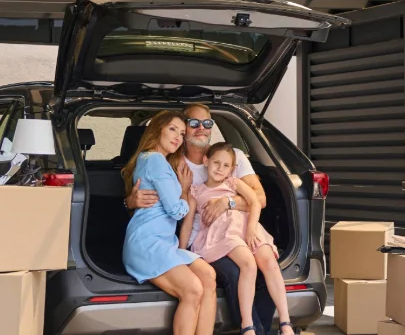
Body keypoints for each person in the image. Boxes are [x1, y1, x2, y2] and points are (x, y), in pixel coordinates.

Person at [126, 104, 278, 335]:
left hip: (231, 232)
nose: (200, 128)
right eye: (192, 124)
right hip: (196, 239)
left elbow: (260, 198)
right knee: (226, 276)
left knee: (253, 270)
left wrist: (227, 202)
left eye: (207, 123)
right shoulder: (171, 161)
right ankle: (251, 330)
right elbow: (170, 207)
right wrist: (130, 201)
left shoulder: (233, 156)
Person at [181, 143, 296, 335]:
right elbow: (187, 223)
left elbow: (256, 202)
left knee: (270, 262)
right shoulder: (196, 191)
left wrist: (251, 229)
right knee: (248, 264)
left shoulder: (233, 183)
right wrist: (181, 251)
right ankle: (248, 324)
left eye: (226, 165)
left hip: (246, 226)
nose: (220, 168)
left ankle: (285, 322)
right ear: (206, 161)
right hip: (223, 233)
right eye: (216, 163)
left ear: (232, 169)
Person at [121, 111, 217, 335]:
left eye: (182, 133)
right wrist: (184, 191)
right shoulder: (154, 160)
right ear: (157, 130)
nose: (178, 137)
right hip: (147, 243)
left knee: (208, 275)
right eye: (172, 129)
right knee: (193, 290)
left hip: (165, 243)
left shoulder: (154, 160)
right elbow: (176, 211)